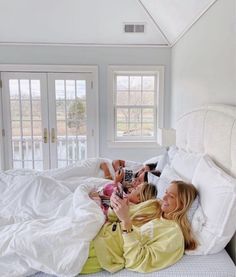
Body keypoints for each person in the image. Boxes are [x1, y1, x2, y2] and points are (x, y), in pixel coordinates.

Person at [81, 180, 198, 274]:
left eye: (171, 196)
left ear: (183, 204)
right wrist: (116, 206)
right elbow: (114, 218)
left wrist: (126, 222)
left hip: (101, 251)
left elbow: (138, 261)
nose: (164, 197)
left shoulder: (173, 235)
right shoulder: (154, 204)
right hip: (95, 230)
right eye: (166, 192)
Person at [89, 181, 158, 218]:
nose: (132, 189)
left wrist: (97, 199)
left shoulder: (128, 205)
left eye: (135, 189)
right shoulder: (127, 200)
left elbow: (106, 215)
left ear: (139, 198)